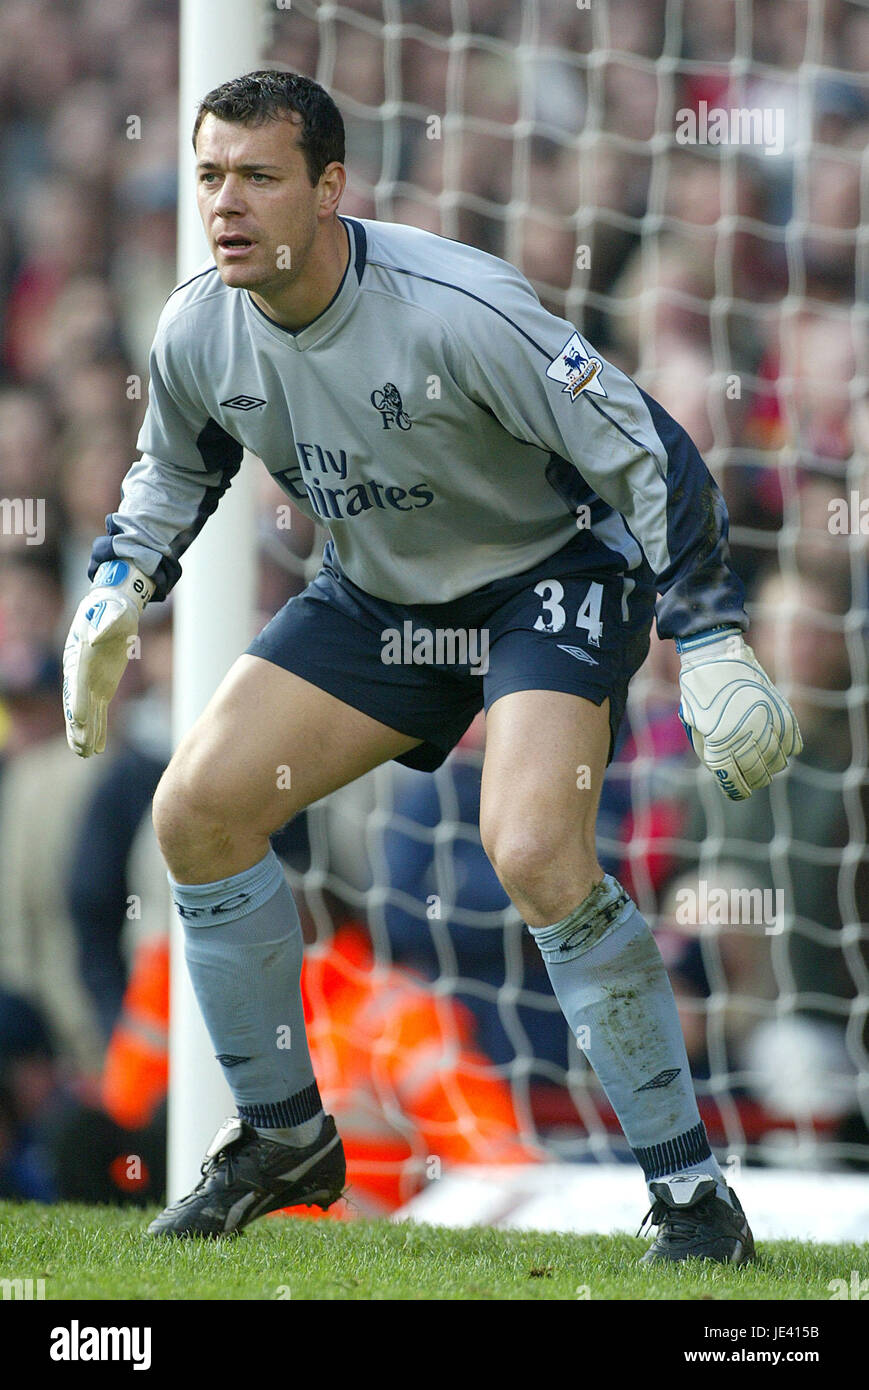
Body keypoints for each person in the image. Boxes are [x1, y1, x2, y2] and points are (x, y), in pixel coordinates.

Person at [62, 70, 801, 1263]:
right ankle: (284, 1136)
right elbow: (174, 467)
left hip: (548, 576)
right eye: (209, 176)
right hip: (378, 596)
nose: (226, 205)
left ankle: (691, 1195)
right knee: (195, 811)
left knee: (528, 845)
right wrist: (115, 585)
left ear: (329, 189)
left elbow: (646, 446)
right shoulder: (197, 323)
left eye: (259, 176)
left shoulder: (458, 306)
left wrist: (706, 628)